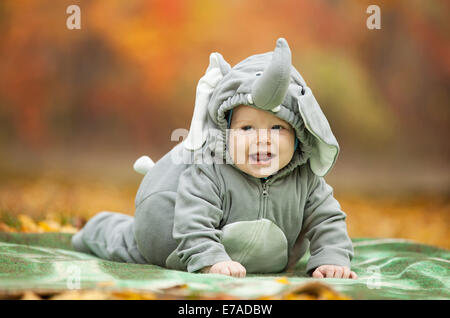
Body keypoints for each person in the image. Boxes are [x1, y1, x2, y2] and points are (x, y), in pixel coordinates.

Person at [72, 38, 357, 279]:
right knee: (127, 242)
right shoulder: (212, 168)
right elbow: (192, 220)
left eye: (277, 128)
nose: (262, 139)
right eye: (247, 128)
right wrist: (212, 261)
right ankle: (96, 227)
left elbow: (328, 219)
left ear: (298, 136)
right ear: (227, 131)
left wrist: (331, 258)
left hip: (263, 259)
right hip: (176, 247)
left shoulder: (305, 179)